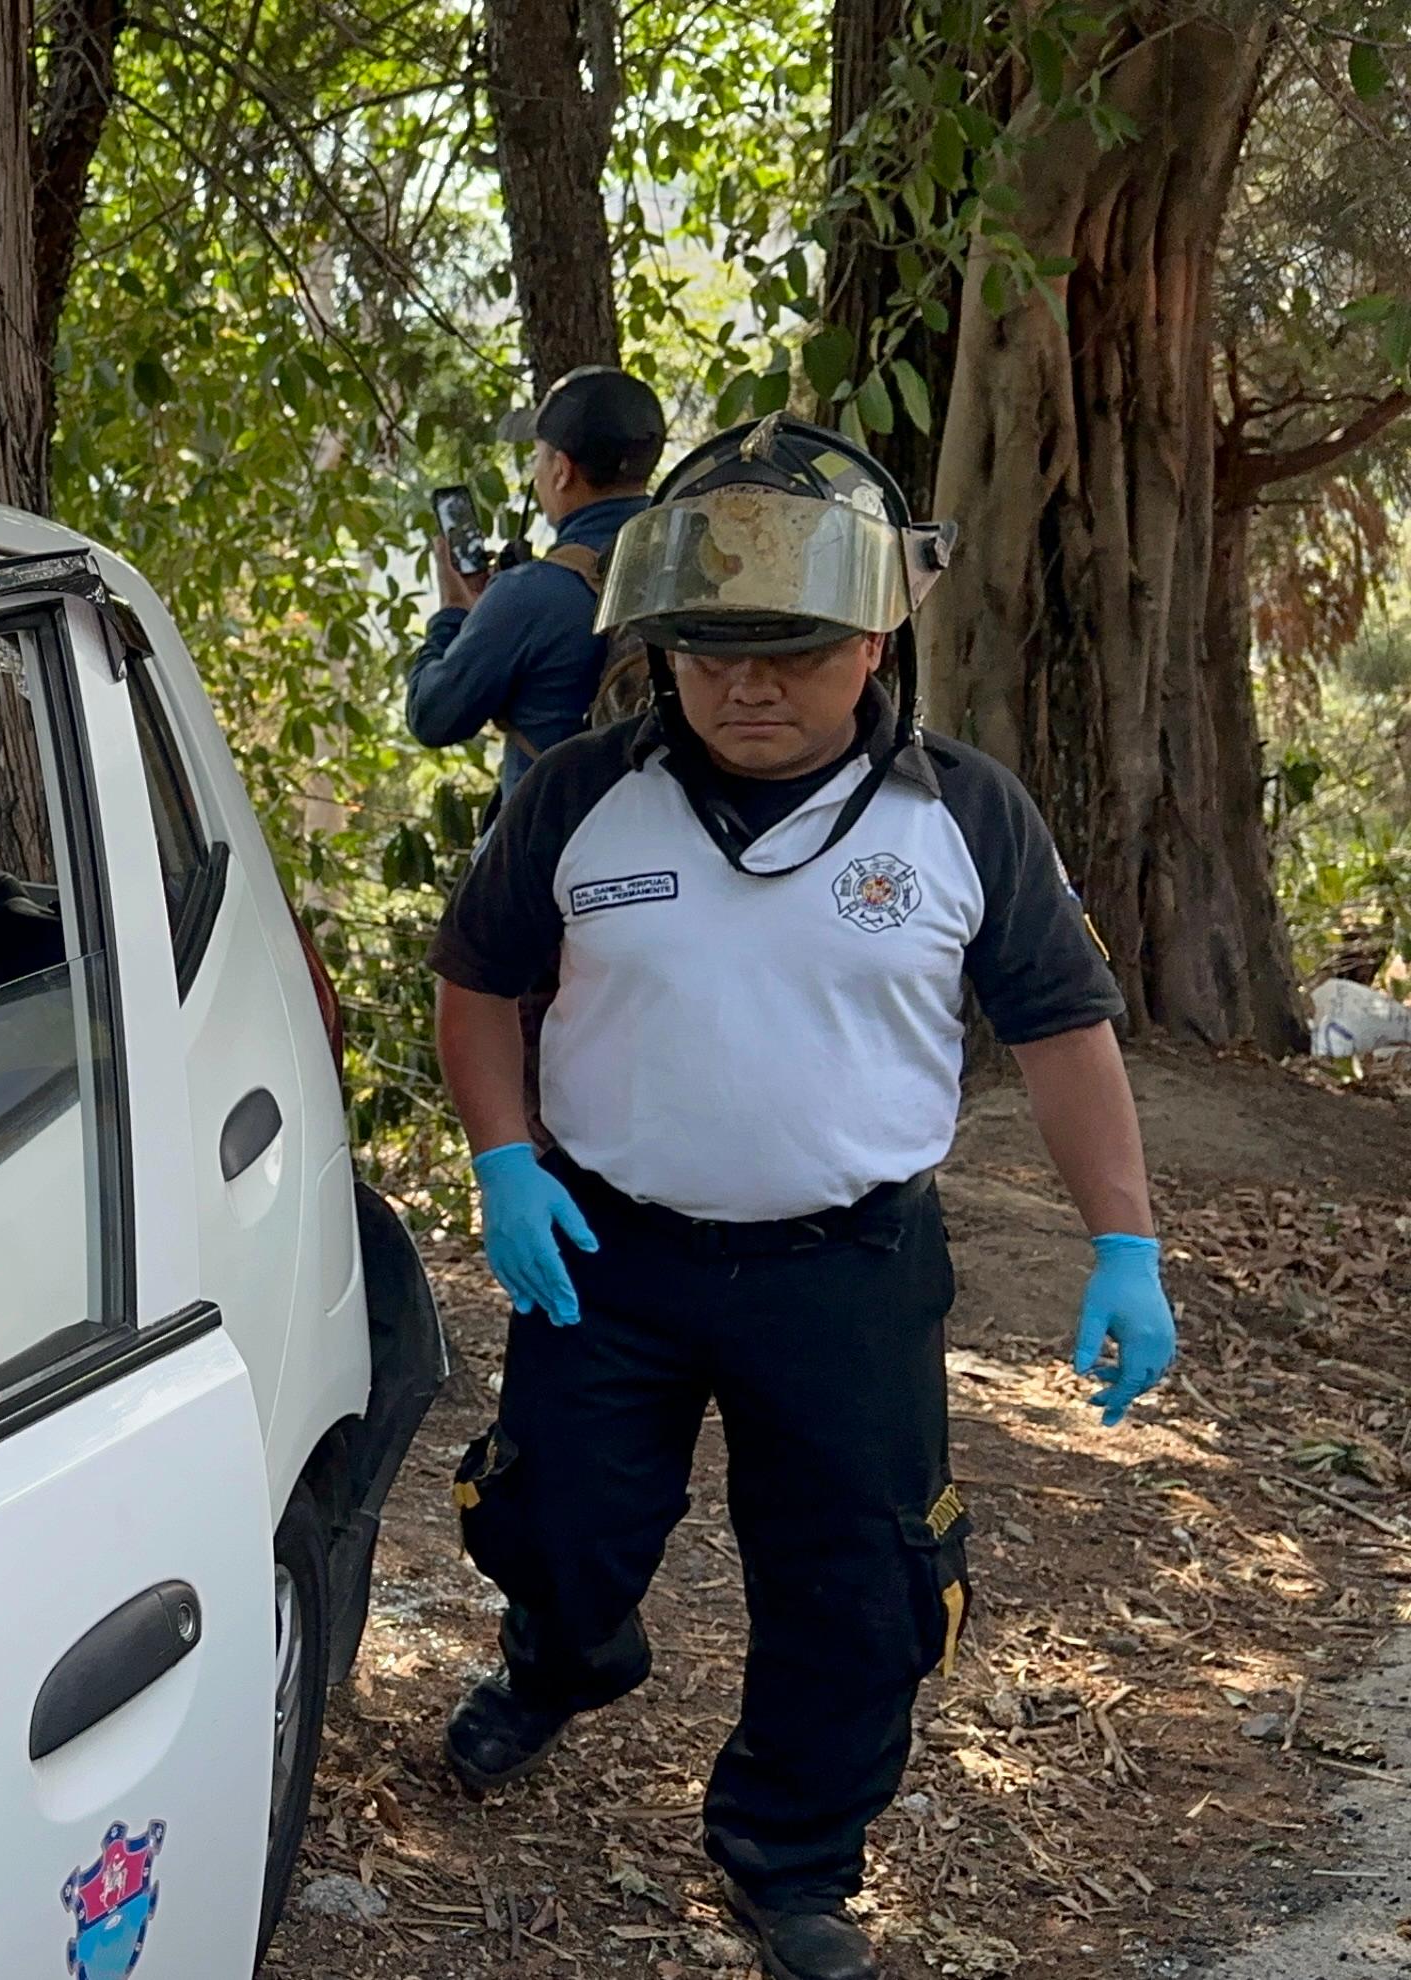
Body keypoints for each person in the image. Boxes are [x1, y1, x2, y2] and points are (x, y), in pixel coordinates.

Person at [423, 415, 1177, 1980]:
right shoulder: (579, 797)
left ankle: (789, 1853)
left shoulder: (962, 816)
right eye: (710, 655)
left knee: (860, 1586)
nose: (747, 689)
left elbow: (1061, 1030)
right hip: (609, 1253)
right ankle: (568, 1658)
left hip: (849, 1269)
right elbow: (477, 981)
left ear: (879, 629)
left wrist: (1125, 1244)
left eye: (790, 654)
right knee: (553, 1519)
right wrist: (503, 1160)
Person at [407, 365, 668, 788]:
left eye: (539, 455)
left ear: (562, 470)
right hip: (681, 835)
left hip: (554, 846)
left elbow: (432, 717)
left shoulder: (530, 594)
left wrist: (453, 614)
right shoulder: (689, 564)